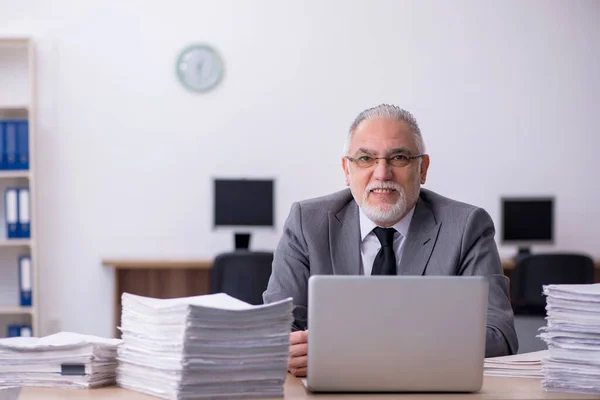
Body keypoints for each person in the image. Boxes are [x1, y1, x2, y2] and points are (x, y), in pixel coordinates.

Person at [263, 104, 518, 377]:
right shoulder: (306, 223)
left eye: (398, 158)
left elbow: (499, 338)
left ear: (423, 168)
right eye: (365, 159)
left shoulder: (467, 227)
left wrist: (350, 351)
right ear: (347, 170)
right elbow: (275, 331)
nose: (382, 174)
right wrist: (290, 350)